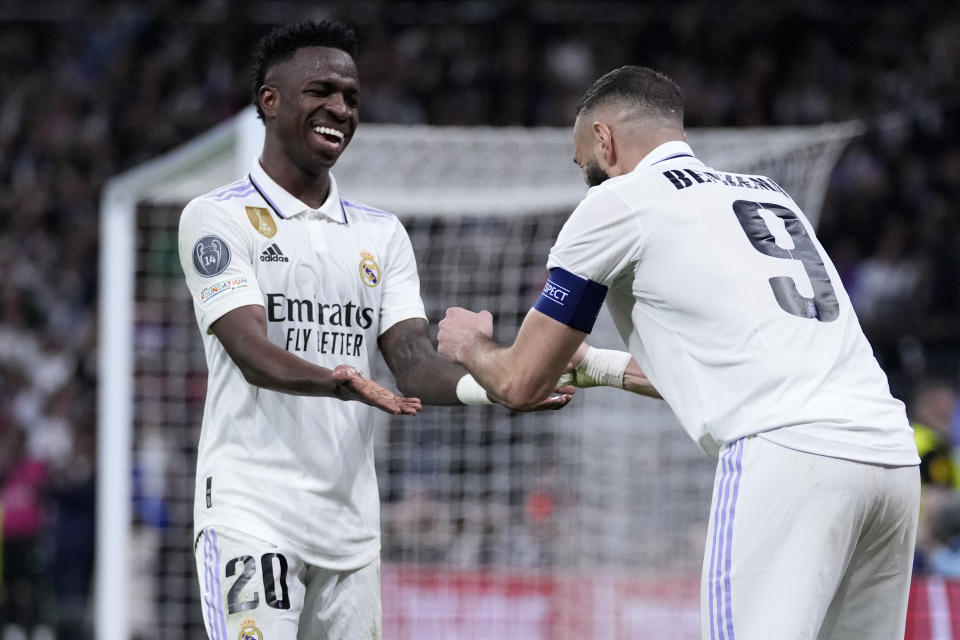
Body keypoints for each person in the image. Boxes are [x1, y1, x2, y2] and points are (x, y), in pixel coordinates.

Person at [437, 65, 921, 639]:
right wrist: (596, 365)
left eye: (582, 163)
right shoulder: (769, 194)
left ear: (603, 139)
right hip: (891, 459)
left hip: (788, 457)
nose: (587, 181)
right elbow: (734, 363)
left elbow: (520, 384)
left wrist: (471, 345)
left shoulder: (617, 202)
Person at [177, 21, 570, 640]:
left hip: (350, 529)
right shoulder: (216, 217)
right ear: (269, 100)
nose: (340, 107)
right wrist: (337, 381)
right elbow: (250, 348)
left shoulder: (380, 233)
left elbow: (412, 361)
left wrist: (497, 380)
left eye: (352, 96)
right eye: (321, 91)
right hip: (252, 511)